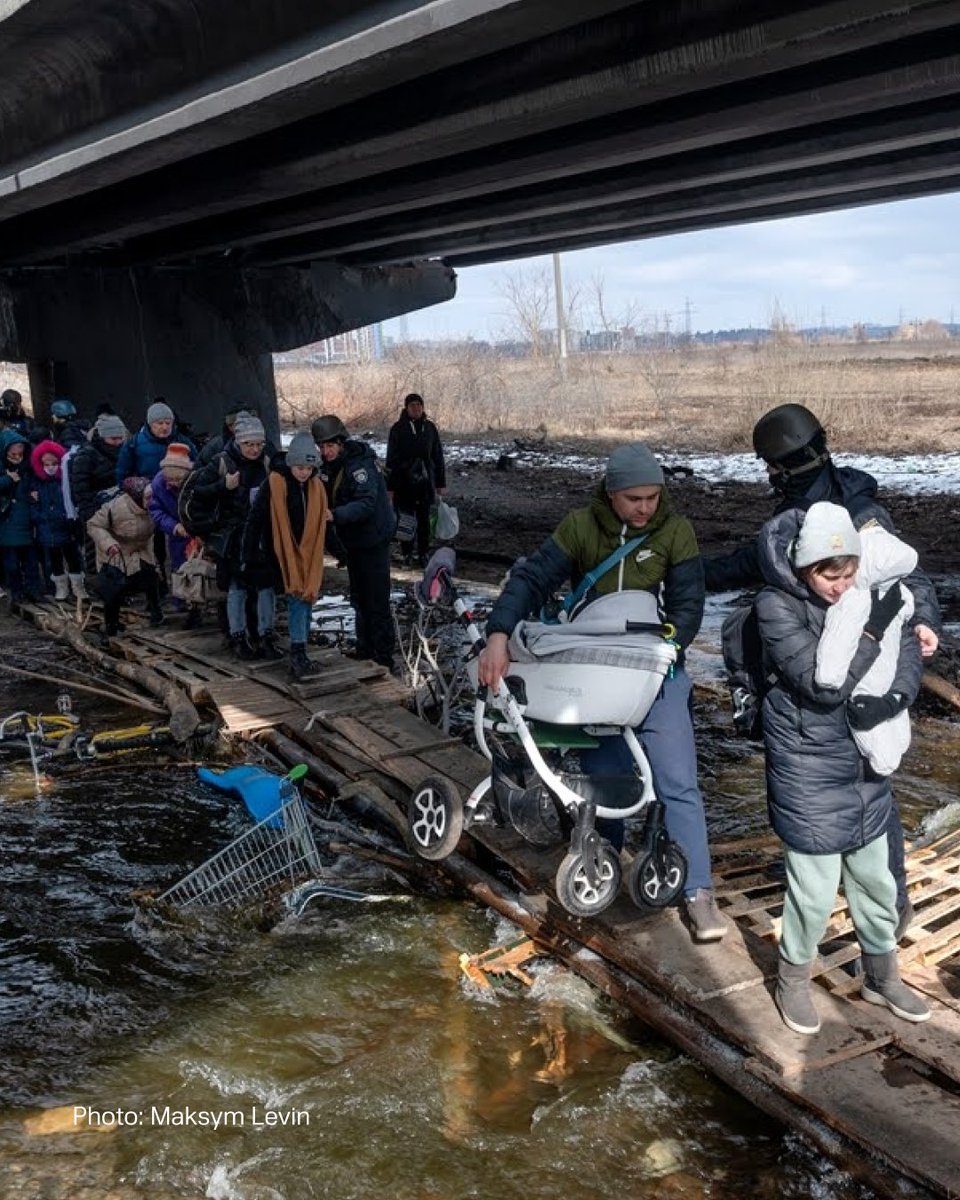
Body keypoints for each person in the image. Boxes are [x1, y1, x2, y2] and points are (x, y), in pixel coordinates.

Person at [704, 402, 941, 934]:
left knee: (868, 784)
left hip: (853, 669)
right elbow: (749, 561)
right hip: (817, 668)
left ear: (778, 466)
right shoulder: (815, 506)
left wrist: (922, 619)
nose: (771, 477)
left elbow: (908, 572)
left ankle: (888, 899)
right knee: (860, 784)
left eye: (771, 468)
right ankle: (867, 893)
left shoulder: (854, 512)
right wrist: (685, 577)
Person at [476, 441, 726, 943]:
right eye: (634, 499)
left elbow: (687, 604)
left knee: (677, 779)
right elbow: (532, 579)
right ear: (610, 494)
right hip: (595, 670)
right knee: (602, 770)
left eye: (652, 498)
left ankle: (697, 889)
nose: (644, 508)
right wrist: (499, 632)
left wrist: (668, 647)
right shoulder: (580, 527)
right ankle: (601, 859)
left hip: (655, 669)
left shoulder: (674, 532)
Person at [753, 501, 929, 1034]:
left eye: (850, 572)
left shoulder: (869, 589)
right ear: (806, 570)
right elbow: (820, 684)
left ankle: (881, 975)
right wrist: (871, 630)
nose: (842, 585)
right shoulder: (774, 607)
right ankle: (792, 980)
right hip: (807, 761)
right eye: (830, 577)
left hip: (864, 758)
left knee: (876, 877)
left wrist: (895, 698)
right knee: (813, 885)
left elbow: (907, 651)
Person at [184, 413, 281, 660]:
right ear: (238, 441)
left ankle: (265, 636)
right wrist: (222, 487)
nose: (254, 449)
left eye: (259, 444)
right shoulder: (221, 463)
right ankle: (237, 637)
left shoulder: (268, 464)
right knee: (237, 588)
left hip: (261, 537)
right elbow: (195, 496)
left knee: (265, 587)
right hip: (231, 538)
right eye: (249, 444)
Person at [313, 414, 396, 670]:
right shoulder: (331, 467)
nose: (325, 452)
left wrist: (334, 515)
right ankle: (365, 649)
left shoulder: (360, 466)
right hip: (355, 542)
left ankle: (383, 657)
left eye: (330, 446)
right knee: (359, 599)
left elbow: (366, 503)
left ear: (341, 442)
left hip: (373, 540)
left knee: (377, 601)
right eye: (322, 447)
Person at [243, 431, 328, 680]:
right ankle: (298, 654)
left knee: (305, 599)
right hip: (280, 554)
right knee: (297, 599)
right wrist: (248, 553)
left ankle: (299, 651)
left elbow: (322, 523)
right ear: (291, 463)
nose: (304, 473)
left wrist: (339, 550)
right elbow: (255, 519)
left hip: (307, 553)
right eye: (300, 467)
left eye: (309, 468)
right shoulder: (275, 483)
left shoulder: (316, 487)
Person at [86, 477, 165, 642]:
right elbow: (93, 525)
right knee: (113, 589)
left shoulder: (154, 506)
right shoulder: (115, 508)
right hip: (116, 551)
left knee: (151, 578)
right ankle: (111, 626)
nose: (151, 500)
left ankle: (156, 613)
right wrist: (108, 543)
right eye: (147, 497)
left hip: (142, 548)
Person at [386, 392, 447, 566]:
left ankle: (423, 553)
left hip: (426, 482)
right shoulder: (398, 429)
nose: (416, 408)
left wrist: (441, 483)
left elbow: (438, 455)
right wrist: (390, 486)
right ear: (406, 408)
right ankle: (407, 553)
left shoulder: (430, 428)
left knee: (424, 520)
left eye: (419, 405)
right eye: (412, 405)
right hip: (403, 482)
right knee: (405, 519)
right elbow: (391, 458)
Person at [147, 442, 201, 627]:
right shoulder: (158, 483)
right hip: (177, 534)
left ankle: (199, 606)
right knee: (179, 568)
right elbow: (155, 511)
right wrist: (174, 526)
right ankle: (183, 604)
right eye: (170, 480)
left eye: (178, 480)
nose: (173, 484)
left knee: (200, 569)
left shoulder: (198, 479)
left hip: (198, 533)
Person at [28, 439, 86, 600]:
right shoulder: (36, 483)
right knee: (54, 560)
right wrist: (39, 517)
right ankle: (61, 588)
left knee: (73, 556)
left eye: (54, 462)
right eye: (46, 463)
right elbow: (33, 505)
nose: (51, 466)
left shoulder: (65, 480)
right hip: (47, 527)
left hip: (66, 524)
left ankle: (78, 587)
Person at [0, 430, 42, 602]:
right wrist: (9, 480)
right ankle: (17, 591)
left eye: (20, 451)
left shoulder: (28, 468)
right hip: (7, 520)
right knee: (12, 563)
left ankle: (33, 590)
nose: (17, 455)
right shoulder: (5, 469)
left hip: (26, 520)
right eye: (14, 451)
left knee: (30, 562)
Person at [71, 413, 128, 524]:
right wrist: (92, 518)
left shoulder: (126, 452)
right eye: (113, 438)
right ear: (102, 436)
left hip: (122, 513)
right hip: (98, 514)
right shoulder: (85, 457)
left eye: (121, 438)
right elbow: (81, 493)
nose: (118, 442)